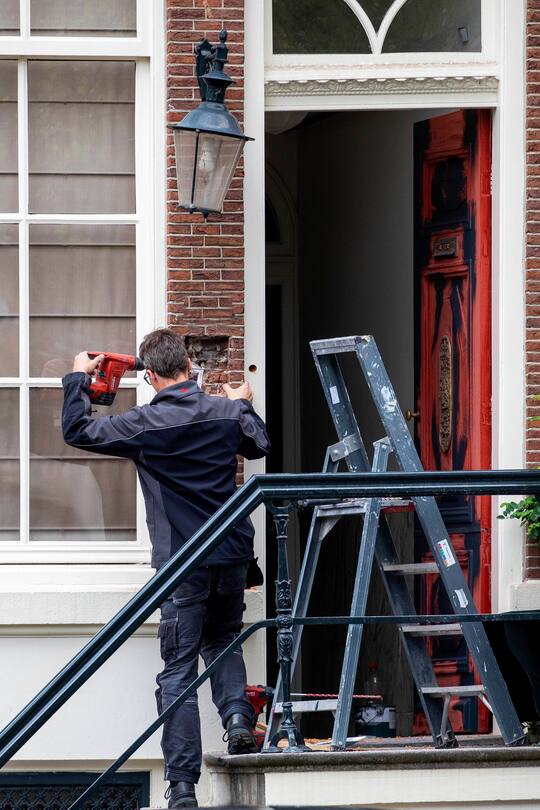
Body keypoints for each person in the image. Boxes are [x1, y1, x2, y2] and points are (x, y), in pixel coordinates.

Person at [61, 329, 270, 809]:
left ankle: (181, 787)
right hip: (233, 554)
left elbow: (78, 432)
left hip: (183, 564)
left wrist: (77, 378)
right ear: (188, 367)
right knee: (223, 640)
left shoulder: (144, 424)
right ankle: (238, 721)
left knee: (177, 671)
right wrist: (242, 402)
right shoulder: (226, 411)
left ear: (151, 376)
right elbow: (259, 445)